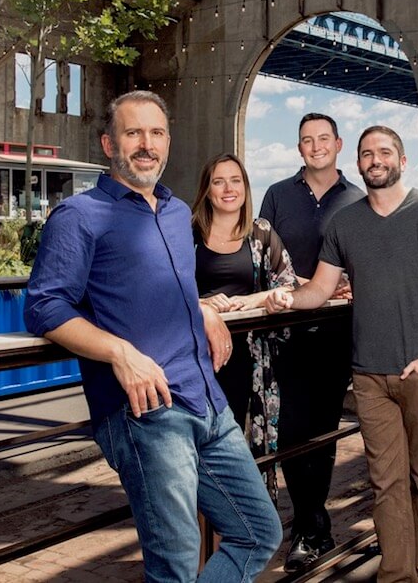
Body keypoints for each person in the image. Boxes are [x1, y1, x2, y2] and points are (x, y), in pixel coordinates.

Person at [23, 91, 281, 582]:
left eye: (157, 132)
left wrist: (201, 308)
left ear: (168, 142)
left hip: (207, 400)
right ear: (109, 144)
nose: (147, 144)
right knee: (176, 565)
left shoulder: (176, 211)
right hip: (147, 412)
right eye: (133, 132)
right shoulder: (79, 215)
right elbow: (43, 306)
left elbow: (160, 286)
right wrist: (119, 351)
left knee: (258, 532)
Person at [266, 125, 418, 583]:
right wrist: (284, 299)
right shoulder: (345, 222)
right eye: (367, 153)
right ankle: (396, 575)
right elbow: (319, 289)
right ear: (357, 163)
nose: (376, 160)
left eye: (385, 152)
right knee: (386, 482)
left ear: (402, 160)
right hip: (369, 377)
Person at [258, 112, 364, 571]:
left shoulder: (358, 199)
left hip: (335, 334)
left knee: (320, 432)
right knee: (288, 431)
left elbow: (367, 264)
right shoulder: (277, 195)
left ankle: (310, 529)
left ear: (338, 144)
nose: (316, 146)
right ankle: (310, 526)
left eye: (324, 138)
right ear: (299, 147)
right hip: (283, 333)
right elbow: (260, 257)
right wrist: (308, 285)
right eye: (307, 139)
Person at [191, 153, 297, 499]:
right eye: (218, 181)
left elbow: (289, 283)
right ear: (207, 190)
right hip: (197, 359)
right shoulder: (187, 232)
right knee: (201, 450)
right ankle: (203, 528)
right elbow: (164, 288)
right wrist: (202, 304)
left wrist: (252, 301)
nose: (228, 189)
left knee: (242, 446)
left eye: (235, 180)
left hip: (249, 361)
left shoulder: (260, 232)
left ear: (245, 187)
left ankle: (244, 522)